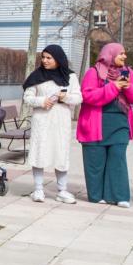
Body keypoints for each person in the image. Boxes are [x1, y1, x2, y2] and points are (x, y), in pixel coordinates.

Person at [77, 42, 133, 207]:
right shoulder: (94, 72)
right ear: (110, 54)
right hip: (95, 124)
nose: (124, 56)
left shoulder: (128, 72)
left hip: (120, 124)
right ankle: (96, 195)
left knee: (118, 158)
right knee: (95, 161)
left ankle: (119, 195)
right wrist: (114, 87)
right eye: (121, 53)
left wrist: (127, 87)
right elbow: (88, 96)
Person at [22, 45, 82, 203]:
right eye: (43, 57)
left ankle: (62, 190)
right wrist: (42, 101)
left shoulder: (70, 76)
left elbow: (78, 98)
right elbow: (27, 98)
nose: (45, 60)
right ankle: (38, 189)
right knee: (39, 152)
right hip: (42, 119)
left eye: (49, 58)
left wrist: (65, 97)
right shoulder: (37, 75)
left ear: (58, 59)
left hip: (61, 119)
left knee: (60, 153)